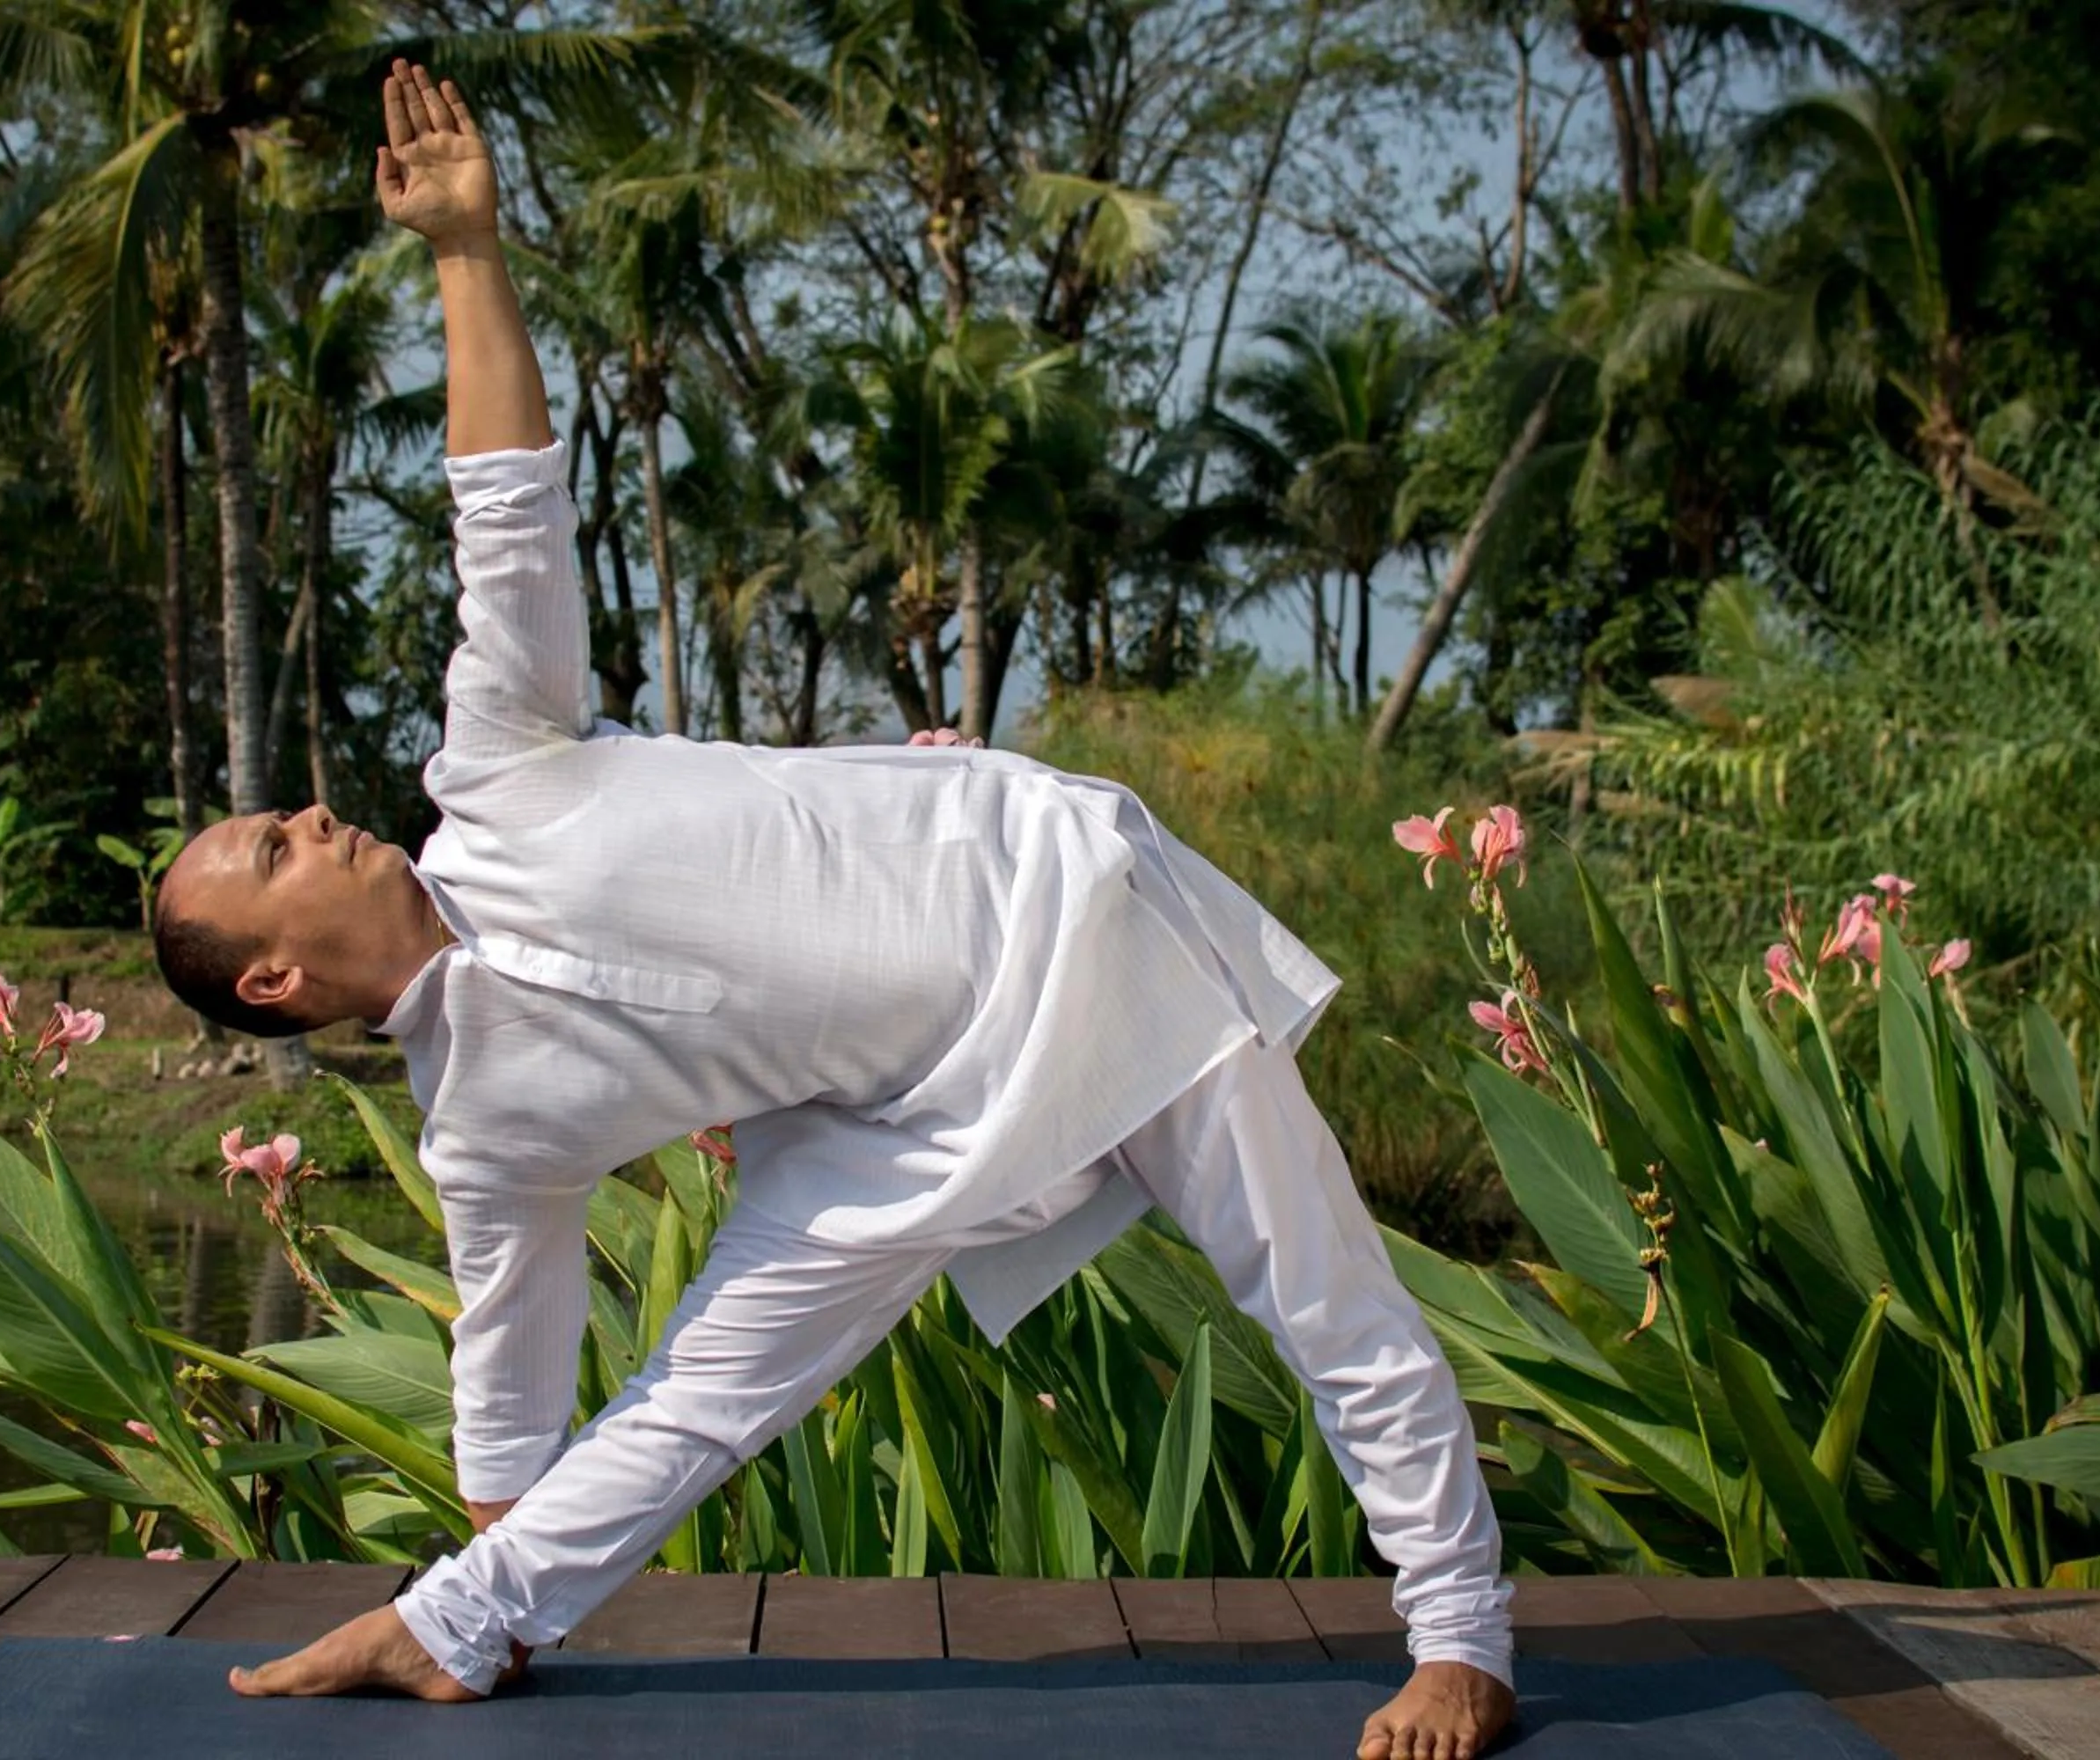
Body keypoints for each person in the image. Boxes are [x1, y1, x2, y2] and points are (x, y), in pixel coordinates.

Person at [153, 58, 1516, 1760]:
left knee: (1312, 1280)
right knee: (702, 1392)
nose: (310, 816)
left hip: (1062, 922)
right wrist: (488, 1578)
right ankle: (462, 1631)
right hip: (878, 1133)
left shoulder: (493, 760)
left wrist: (467, 254)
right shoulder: (481, 1133)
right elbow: (510, 1364)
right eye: (272, 848)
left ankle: (1462, 1637)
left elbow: (505, 512)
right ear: (273, 981)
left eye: (283, 816)